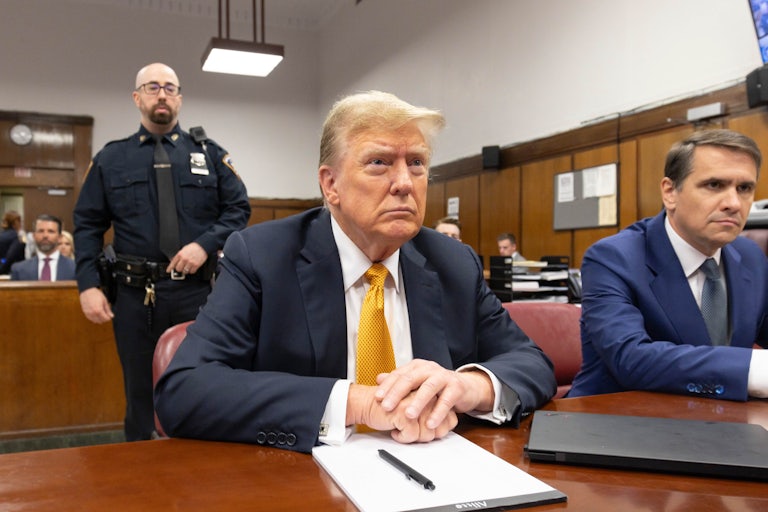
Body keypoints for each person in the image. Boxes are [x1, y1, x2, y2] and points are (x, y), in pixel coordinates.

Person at [155, 91, 556, 453]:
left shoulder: (453, 262)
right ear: (331, 185)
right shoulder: (263, 257)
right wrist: (358, 402)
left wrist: (467, 387)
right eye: (379, 163)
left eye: (416, 163)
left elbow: (531, 362)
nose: (404, 183)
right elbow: (185, 390)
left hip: (437, 475)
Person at [74, 62, 251, 441]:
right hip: (136, 297)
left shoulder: (210, 154)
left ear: (180, 99)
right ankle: (140, 479)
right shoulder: (111, 159)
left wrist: (205, 245)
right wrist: (88, 284)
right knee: (140, 395)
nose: (162, 95)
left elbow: (239, 209)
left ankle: (197, 473)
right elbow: (87, 224)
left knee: (200, 383)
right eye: (152, 87)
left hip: (198, 294)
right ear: (137, 98)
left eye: (170, 88)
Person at [568, 129, 768, 401]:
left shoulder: (750, 256)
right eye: (714, 185)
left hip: (721, 425)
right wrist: (753, 370)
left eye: (744, 188)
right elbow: (631, 359)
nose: (733, 203)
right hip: (617, 426)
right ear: (670, 192)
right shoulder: (613, 258)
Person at [11, 214, 75, 280]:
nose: (45, 235)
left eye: (51, 231)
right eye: (41, 231)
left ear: (59, 237)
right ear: (34, 236)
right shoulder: (19, 270)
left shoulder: (75, 268)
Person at [0, 210, 25, 275]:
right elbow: (10, 257)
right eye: (20, 221)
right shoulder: (18, 237)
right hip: (10, 272)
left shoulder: (1, 235)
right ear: (16, 222)